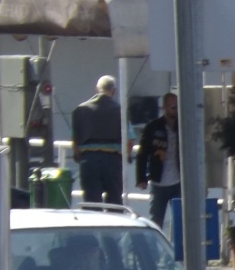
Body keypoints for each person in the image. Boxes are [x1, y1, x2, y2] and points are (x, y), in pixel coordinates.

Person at [72, 76, 124, 206]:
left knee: (91, 202)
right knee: (115, 202)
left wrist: (79, 156)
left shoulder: (80, 110)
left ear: (96, 89)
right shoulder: (120, 110)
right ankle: (115, 225)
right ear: (114, 91)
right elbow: (129, 140)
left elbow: (74, 139)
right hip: (112, 160)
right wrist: (123, 157)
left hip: (89, 160)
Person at [134, 92, 181, 230]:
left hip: (178, 181)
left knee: (180, 220)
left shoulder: (183, 126)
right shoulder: (153, 127)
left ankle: (180, 249)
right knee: (156, 219)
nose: (176, 110)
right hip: (158, 180)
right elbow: (142, 153)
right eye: (173, 107)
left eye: (178, 107)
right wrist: (141, 178)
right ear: (164, 107)